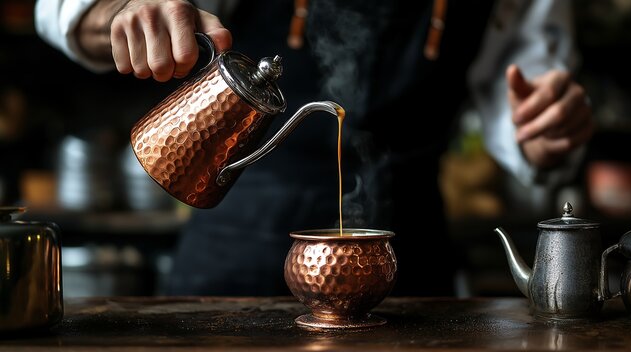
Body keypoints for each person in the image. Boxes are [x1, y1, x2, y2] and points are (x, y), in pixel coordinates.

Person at [34, 0, 594, 296]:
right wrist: (124, 11)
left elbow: (528, 104)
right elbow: (64, 9)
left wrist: (544, 132)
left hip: (406, 243)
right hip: (239, 233)